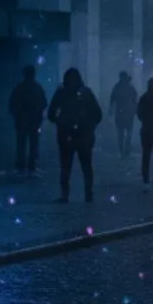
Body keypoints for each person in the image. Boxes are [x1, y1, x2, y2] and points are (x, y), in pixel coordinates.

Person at [47, 68, 103, 203]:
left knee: (66, 166)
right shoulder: (86, 93)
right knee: (85, 166)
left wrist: (60, 122)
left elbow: (51, 114)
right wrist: (89, 127)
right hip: (82, 135)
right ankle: (88, 194)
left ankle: (66, 195)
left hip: (67, 135)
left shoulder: (61, 93)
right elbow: (98, 114)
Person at [8, 65, 48, 176]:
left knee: (21, 144)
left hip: (21, 121)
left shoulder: (19, 88)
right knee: (33, 144)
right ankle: (32, 166)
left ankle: (20, 166)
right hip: (34, 121)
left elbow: (12, 104)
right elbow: (44, 103)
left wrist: (17, 115)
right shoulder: (37, 88)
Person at [107, 71, 138, 159]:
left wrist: (111, 110)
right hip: (127, 113)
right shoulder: (129, 87)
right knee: (127, 133)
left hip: (122, 113)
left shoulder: (118, 87)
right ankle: (125, 150)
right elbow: (135, 100)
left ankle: (123, 150)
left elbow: (112, 99)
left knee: (122, 133)